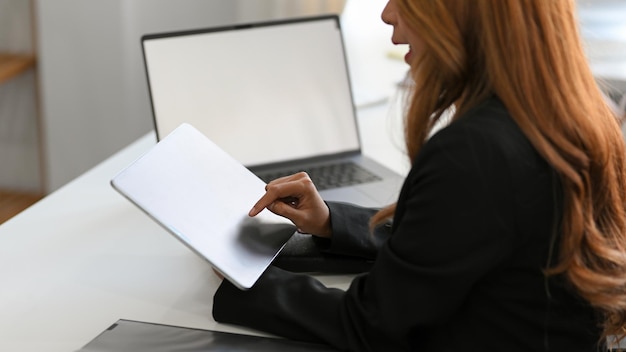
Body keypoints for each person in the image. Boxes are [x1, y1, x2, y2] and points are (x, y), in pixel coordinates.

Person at [212, 0, 626, 350]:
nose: (387, 13)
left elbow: (372, 325)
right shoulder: (575, 116)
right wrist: (332, 223)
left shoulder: (474, 152)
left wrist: (247, 282)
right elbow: (453, 243)